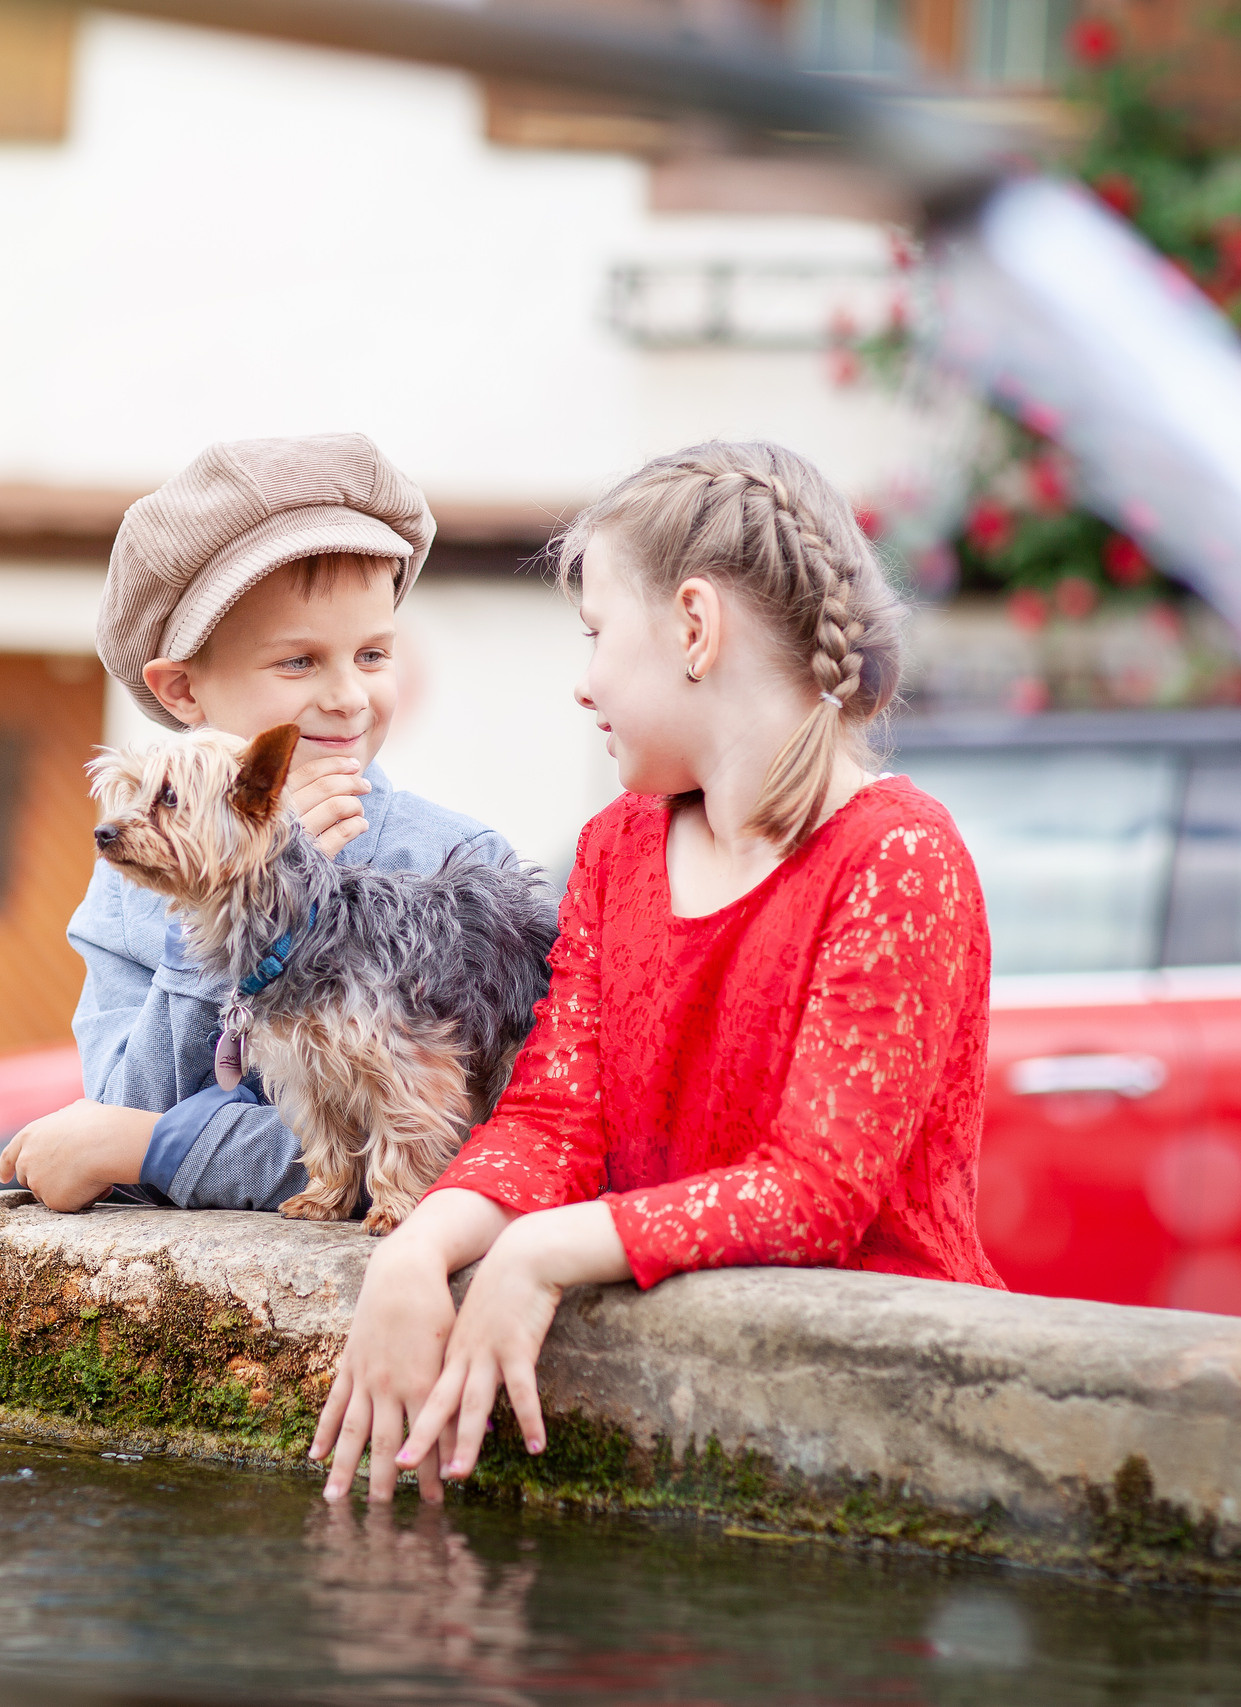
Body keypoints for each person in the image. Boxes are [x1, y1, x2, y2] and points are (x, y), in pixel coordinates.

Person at [310, 440, 1004, 1504]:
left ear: (693, 625)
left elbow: (814, 1194)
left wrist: (540, 1254)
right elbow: (552, 1126)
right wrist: (416, 1252)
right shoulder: (617, 850)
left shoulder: (897, 859)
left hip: (886, 1444)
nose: (581, 682)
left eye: (595, 634)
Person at [2, 432, 519, 1214]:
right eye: (299, 662)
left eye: (373, 655)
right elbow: (126, 1113)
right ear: (182, 691)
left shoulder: (454, 863)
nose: (348, 695)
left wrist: (158, 1145)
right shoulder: (134, 890)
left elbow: (467, 1142)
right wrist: (216, 910)